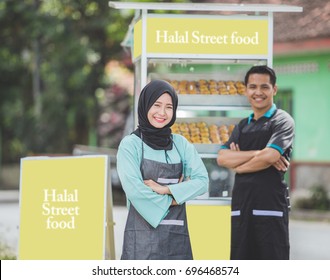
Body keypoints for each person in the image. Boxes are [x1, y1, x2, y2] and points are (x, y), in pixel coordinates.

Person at [117, 79, 209, 260]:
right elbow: (135, 191)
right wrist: (177, 197)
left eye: (169, 107)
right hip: (141, 241)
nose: (162, 112)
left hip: (176, 238)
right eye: (156, 105)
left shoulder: (180, 144)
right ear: (145, 106)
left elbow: (202, 181)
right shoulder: (131, 145)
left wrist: (165, 189)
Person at [217, 65, 295, 260]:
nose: (258, 92)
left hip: (270, 207)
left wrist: (239, 166)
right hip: (242, 206)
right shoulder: (243, 126)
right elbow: (222, 157)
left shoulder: (282, 121)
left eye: (264, 87)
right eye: (252, 87)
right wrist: (258, 154)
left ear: (274, 89)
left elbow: (270, 157)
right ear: (246, 90)